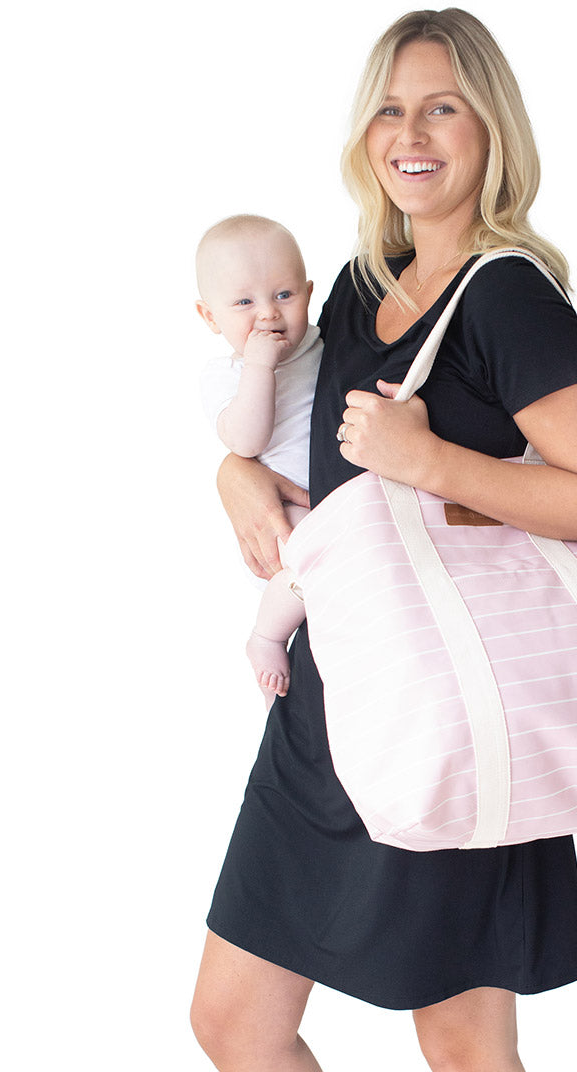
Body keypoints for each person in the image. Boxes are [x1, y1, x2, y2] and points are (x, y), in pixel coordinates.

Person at [191, 9, 577, 1072]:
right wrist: (233, 475)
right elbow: (289, 436)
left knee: (462, 1043)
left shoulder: (510, 296)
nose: (411, 132)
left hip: (449, 713)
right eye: (390, 108)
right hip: (327, 708)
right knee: (233, 1024)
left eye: (442, 105)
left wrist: (430, 461)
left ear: (490, 129)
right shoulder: (354, 286)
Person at [195, 215, 317, 705]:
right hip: (281, 511)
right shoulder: (224, 376)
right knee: (314, 565)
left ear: (309, 292)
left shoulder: (323, 345)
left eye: (284, 295)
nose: (267, 314)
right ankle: (266, 637)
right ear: (209, 317)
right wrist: (259, 369)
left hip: (341, 499)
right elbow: (245, 442)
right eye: (244, 302)